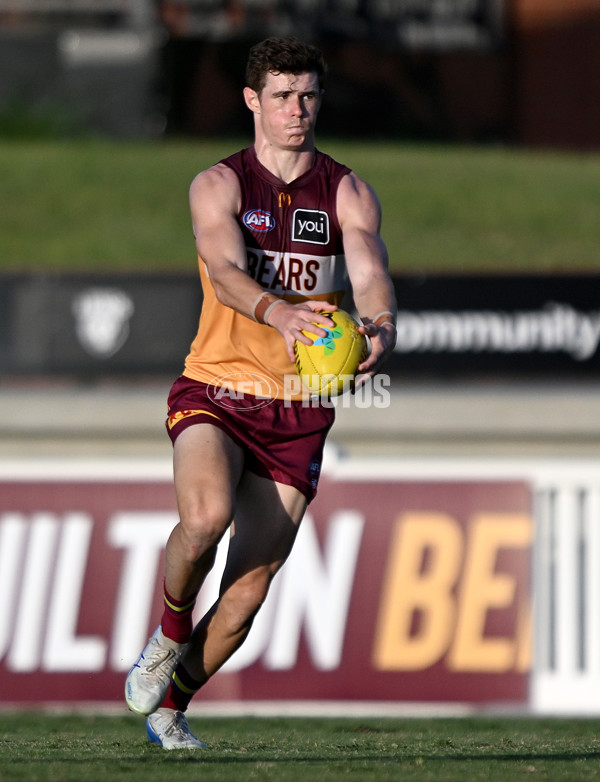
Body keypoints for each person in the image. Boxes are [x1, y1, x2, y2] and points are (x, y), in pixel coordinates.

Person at [125, 36, 397, 750]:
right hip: (218, 387)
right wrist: (276, 311)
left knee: (249, 592)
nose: (296, 110)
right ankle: (169, 630)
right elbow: (222, 266)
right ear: (252, 100)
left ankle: (171, 708)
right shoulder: (218, 183)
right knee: (207, 517)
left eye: (307, 94)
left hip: (300, 411)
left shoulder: (346, 189)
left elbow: (368, 268)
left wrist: (381, 325)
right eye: (281, 95)